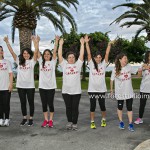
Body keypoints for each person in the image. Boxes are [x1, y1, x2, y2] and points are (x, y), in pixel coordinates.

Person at [4, 36, 38, 126]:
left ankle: (30, 118)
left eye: (27, 53)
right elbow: (12, 52)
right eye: (24, 53)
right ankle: (24, 118)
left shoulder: (32, 61)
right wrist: (7, 42)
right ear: (22, 54)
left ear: (30, 54)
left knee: (31, 103)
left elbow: (36, 52)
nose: (26, 55)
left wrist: (35, 42)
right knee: (23, 103)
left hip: (30, 86)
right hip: (20, 86)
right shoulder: (19, 61)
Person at [85, 35, 113, 129]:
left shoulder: (103, 65)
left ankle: (103, 119)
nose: (98, 59)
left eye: (99, 57)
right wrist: (86, 43)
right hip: (92, 90)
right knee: (92, 107)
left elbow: (107, 54)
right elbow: (88, 54)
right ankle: (92, 122)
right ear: (94, 58)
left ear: (101, 58)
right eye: (96, 57)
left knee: (102, 106)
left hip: (101, 90)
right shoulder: (91, 64)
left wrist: (109, 45)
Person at [32, 35, 59, 128]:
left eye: (48, 54)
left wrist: (56, 41)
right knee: (44, 104)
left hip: (51, 87)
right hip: (42, 87)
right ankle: (46, 120)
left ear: (50, 56)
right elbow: (37, 51)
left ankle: (51, 120)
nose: (46, 55)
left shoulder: (53, 62)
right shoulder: (40, 62)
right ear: (43, 56)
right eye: (45, 54)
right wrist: (36, 42)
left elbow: (55, 51)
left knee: (50, 104)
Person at [58, 37, 84, 131]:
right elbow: (59, 55)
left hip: (76, 91)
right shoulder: (64, 65)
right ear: (67, 59)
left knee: (75, 108)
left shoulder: (78, 65)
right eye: (69, 57)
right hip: (66, 91)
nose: (71, 58)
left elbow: (81, 55)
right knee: (68, 107)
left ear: (75, 58)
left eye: (73, 57)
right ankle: (69, 122)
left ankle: (75, 123)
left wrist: (82, 44)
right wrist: (60, 44)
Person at [110, 53, 138, 132]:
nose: (126, 60)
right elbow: (111, 80)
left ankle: (130, 124)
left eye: (126, 58)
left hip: (129, 91)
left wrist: (142, 68)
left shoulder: (129, 67)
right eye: (125, 58)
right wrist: (112, 90)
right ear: (120, 59)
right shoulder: (115, 69)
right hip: (120, 92)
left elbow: (137, 73)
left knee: (129, 108)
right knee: (120, 107)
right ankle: (121, 122)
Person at [134, 51, 150, 125]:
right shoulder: (143, 65)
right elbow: (138, 76)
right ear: (147, 57)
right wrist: (142, 69)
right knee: (142, 105)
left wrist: (148, 68)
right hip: (144, 88)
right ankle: (140, 118)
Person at [0, 45, 13, 127]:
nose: (0, 52)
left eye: (1, 50)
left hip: (6, 87)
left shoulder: (7, 62)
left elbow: (11, 74)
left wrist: (11, 84)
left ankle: (7, 119)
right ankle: (1, 119)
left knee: (6, 104)